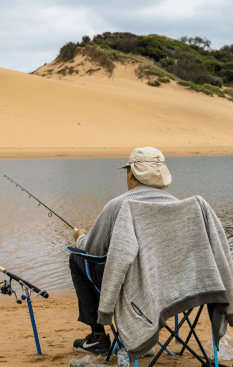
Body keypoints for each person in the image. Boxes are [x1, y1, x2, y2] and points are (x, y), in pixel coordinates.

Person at [69, 146, 175, 355]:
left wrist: (80, 237)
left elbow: (93, 250)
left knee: (76, 257)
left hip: (129, 288)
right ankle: (147, 337)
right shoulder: (177, 205)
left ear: (132, 174)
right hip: (170, 288)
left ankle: (98, 337)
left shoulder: (119, 204)